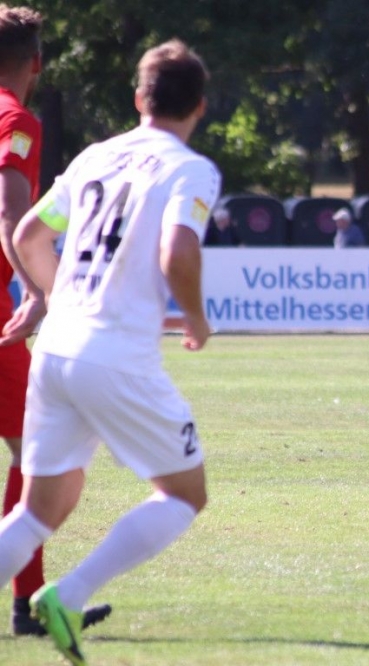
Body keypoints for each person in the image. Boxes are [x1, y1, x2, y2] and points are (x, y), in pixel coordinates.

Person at [0, 39, 220, 665]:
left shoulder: (98, 154)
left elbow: (26, 234)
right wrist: (198, 319)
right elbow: (176, 253)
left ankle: (58, 595)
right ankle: (68, 595)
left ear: (137, 99)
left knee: (39, 510)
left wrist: (48, 294)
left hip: (57, 350)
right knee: (184, 494)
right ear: (198, 107)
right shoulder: (189, 167)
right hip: (115, 355)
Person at [0, 4, 112, 637]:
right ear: (36, 64)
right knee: (38, 454)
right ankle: (27, 602)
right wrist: (38, 290)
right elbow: (11, 207)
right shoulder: (15, 120)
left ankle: (28, 602)